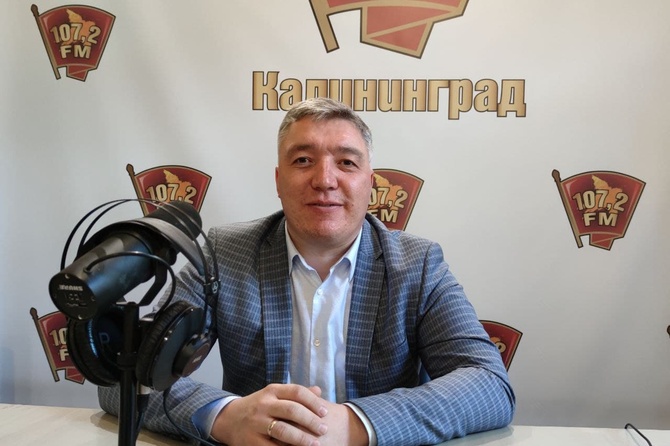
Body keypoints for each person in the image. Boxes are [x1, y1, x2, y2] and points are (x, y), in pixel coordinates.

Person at [99, 97, 515, 445]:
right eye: (303, 160)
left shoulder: (418, 265)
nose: (325, 180)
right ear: (278, 180)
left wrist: (355, 424)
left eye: (346, 163)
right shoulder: (224, 255)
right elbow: (121, 378)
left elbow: (488, 384)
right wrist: (226, 416)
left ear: (370, 183)